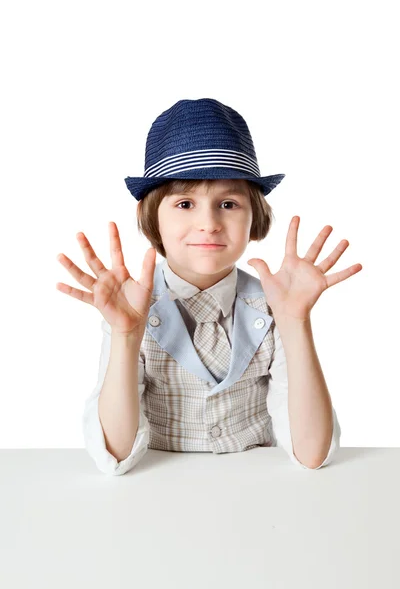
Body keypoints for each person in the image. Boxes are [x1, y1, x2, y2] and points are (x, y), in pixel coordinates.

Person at [56, 98, 362, 476]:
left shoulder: (275, 303)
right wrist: (125, 334)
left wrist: (294, 321)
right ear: (151, 216)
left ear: (256, 216)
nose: (209, 223)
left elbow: (313, 453)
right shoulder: (129, 307)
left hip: (256, 489)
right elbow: (115, 455)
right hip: (155, 490)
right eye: (185, 203)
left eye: (229, 203)